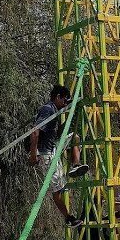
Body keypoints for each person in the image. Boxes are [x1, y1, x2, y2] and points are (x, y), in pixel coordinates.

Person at [29, 84, 89, 227]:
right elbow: (35, 132)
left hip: (53, 146)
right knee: (57, 190)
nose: (64, 104)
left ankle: (75, 165)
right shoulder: (48, 110)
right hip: (45, 153)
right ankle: (68, 217)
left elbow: (55, 133)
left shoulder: (55, 111)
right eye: (64, 100)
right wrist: (33, 155)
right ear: (57, 97)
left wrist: (69, 119)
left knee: (75, 137)